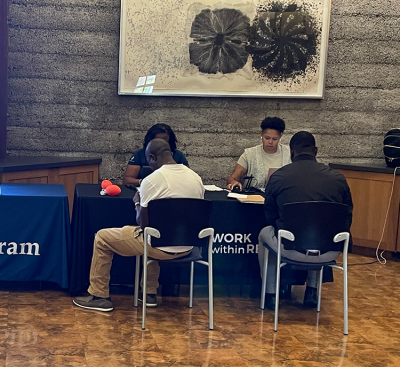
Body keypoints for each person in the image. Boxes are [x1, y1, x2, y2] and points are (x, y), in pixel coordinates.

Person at [73, 138, 204, 312]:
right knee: (158, 232)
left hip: (158, 247)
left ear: (151, 157)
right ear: (171, 154)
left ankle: (99, 295)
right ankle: (149, 293)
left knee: (103, 237)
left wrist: (137, 203)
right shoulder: (195, 178)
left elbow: (143, 223)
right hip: (188, 247)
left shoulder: (151, 180)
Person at [259, 131, 353, 310]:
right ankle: (311, 291)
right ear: (316, 151)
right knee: (318, 230)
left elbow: (269, 216)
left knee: (266, 233)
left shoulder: (279, 176)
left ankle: (270, 294)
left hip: (290, 248)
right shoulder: (338, 178)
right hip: (330, 250)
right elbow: (347, 216)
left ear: (291, 151)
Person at [227, 117, 291, 191]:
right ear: (261, 134)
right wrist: (234, 182)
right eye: (267, 138)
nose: (270, 142)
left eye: (274, 139)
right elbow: (232, 178)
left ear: (280, 136)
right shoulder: (249, 154)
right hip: (253, 198)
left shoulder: (289, 153)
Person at [123, 123, 189, 187]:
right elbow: (127, 180)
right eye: (157, 141)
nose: (161, 144)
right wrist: (144, 182)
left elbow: (187, 179)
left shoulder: (178, 155)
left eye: (164, 142)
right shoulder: (140, 154)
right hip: (144, 190)